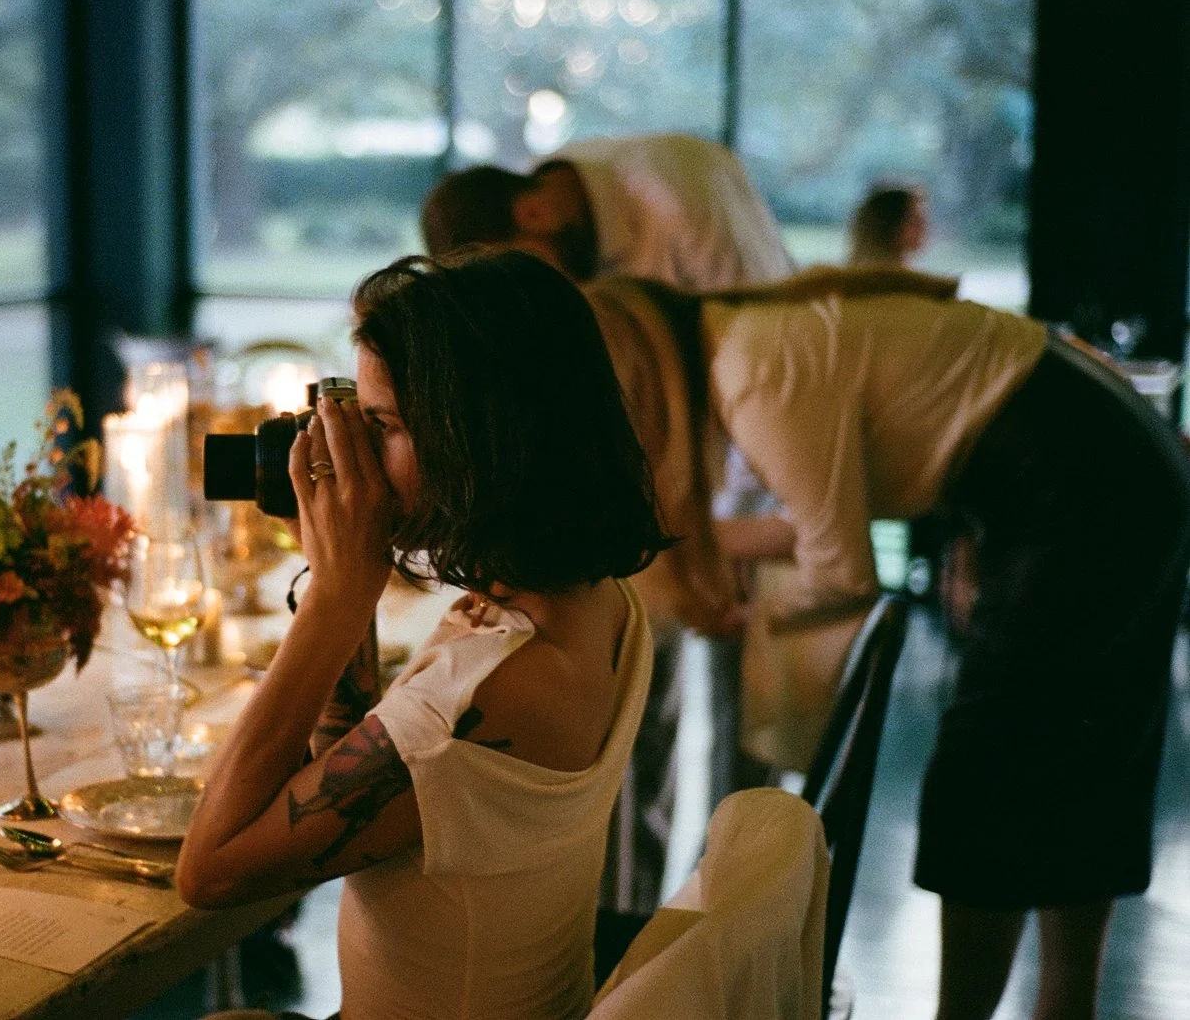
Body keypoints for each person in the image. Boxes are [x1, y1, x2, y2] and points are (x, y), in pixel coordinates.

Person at [585, 270, 1190, 1020]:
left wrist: (743, 616)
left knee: (984, 774)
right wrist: (694, 551)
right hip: (1114, 457)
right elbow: (829, 523)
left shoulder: (749, 375)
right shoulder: (742, 340)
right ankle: (1065, 1004)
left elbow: (839, 567)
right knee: (1081, 761)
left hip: (1078, 479)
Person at [178, 249, 672, 1019]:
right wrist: (343, 577)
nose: (352, 456)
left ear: (478, 438)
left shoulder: (480, 701)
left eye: (380, 425)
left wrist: (336, 598)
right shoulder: (586, 603)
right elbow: (350, 751)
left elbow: (209, 873)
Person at [422, 133, 796, 976]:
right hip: (671, 537)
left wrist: (700, 562)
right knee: (642, 752)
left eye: (515, 270)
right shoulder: (607, 295)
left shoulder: (659, 254)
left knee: (640, 758)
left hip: (717, 510)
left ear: (534, 217)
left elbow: (676, 454)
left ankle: (637, 950)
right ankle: (656, 943)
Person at [421, 132, 795, 288]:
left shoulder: (680, 199)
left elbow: (763, 336)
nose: (525, 292)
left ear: (534, 214)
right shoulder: (560, 186)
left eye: (516, 270)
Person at [848, 181, 929, 268]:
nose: (923, 225)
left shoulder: (858, 270)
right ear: (891, 226)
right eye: (914, 219)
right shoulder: (880, 276)